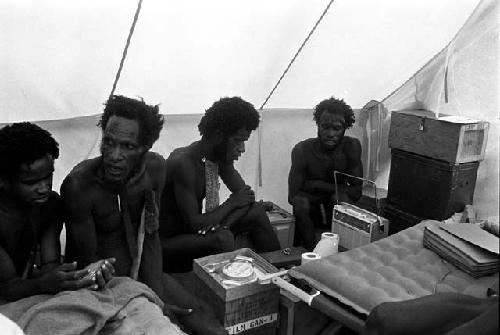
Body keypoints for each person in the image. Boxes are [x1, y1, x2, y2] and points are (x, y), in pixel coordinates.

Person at [61, 95, 226, 335]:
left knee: (209, 327)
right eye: (108, 142)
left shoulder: (155, 170)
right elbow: (88, 266)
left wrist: (156, 295)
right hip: (103, 289)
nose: (114, 155)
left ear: (146, 146)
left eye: (128, 146)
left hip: (143, 276)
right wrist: (147, 303)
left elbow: (150, 236)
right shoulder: (80, 186)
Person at [160, 96, 281, 272]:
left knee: (256, 210)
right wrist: (231, 204)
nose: (242, 148)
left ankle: (279, 271)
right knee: (222, 238)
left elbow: (246, 197)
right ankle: (232, 289)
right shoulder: (183, 163)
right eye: (238, 140)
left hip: (198, 232)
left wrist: (225, 222)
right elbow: (194, 224)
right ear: (218, 136)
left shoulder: (217, 157)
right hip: (171, 243)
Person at [0, 122, 96, 301]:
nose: (44, 188)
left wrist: (68, 276)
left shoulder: (49, 206)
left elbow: (50, 263)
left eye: (48, 176)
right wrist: (42, 284)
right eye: (31, 183)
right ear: (3, 181)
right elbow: (7, 287)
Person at [288, 97, 363, 251]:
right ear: (318, 124)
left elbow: (357, 192)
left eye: (336, 128)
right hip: (311, 210)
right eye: (325, 127)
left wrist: (317, 185)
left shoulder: (351, 147)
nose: (330, 134)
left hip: (335, 209)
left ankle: (341, 250)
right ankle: (312, 253)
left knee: (339, 199)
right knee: (300, 203)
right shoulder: (302, 150)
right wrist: (333, 189)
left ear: (345, 128)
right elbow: (292, 196)